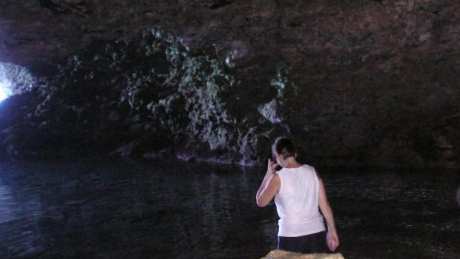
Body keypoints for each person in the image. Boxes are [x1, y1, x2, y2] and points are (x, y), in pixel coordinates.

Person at [256, 137, 340, 254]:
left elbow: (260, 201)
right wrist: (332, 230)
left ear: (278, 156)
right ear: (295, 153)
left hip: (290, 236)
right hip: (316, 233)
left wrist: (267, 175)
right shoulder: (312, 171)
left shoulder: (278, 177)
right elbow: (324, 205)